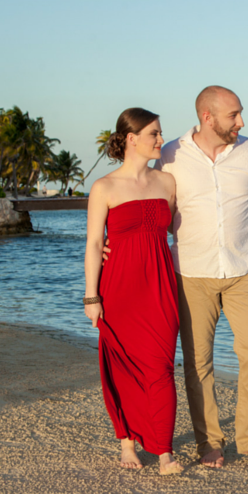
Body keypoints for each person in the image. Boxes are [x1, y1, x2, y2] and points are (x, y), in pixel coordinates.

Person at [156, 85, 248, 468]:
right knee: (197, 362)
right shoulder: (170, 154)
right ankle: (209, 443)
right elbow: (153, 205)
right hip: (190, 272)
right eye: (233, 114)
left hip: (243, 269)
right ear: (208, 117)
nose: (241, 121)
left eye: (240, 113)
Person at [83, 108, 184, 475]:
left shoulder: (167, 184)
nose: (161, 140)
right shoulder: (104, 188)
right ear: (131, 138)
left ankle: (164, 450)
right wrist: (91, 297)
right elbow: (95, 244)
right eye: (154, 134)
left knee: (160, 366)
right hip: (119, 287)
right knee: (122, 364)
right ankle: (127, 440)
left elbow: (178, 232)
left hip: (159, 287)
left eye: (160, 134)